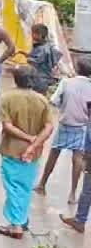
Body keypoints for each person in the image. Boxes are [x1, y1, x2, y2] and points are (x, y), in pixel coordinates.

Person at [0, 65, 55, 239]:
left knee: (13, 187)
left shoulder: (8, 98)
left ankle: (16, 226)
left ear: (16, 79)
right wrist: (34, 143)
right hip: (33, 154)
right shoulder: (42, 100)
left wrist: (27, 139)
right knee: (25, 187)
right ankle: (21, 220)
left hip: (12, 149)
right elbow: (49, 126)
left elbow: (7, 126)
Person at [42, 59, 91, 205]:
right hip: (81, 126)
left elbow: (54, 100)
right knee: (77, 159)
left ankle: (42, 184)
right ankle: (72, 194)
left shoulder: (66, 83)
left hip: (65, 123)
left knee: (54, 153)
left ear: (77, 69)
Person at [26, 23, 65, 94]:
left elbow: (35, 61)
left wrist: (27, 60)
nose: (31, 35)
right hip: (44, 78)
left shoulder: (43, 49)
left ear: (39, 35)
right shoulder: (46, 46)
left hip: (40, 80)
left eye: (32, 33)